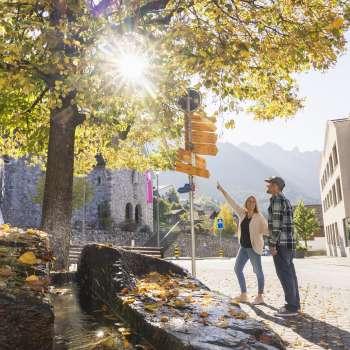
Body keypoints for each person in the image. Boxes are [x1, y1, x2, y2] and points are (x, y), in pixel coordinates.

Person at [217, 182, 268, 305]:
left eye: (253, 201)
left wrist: (275, 239)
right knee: (237, 269)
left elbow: (267, 230)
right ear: (246, 203)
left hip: (254, 248)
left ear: (255, 204)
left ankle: (260, 296)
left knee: (258, 271)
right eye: (249, 201)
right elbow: (232, 202)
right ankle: (244, 294)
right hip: (244, 247)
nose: (251, 203)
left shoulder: (259, 217)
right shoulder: (242, 213)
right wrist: (222, 190)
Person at [265, 176, 300, 317]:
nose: (267, 186)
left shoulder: (277, 200)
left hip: (281, 244)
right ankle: (295, 304)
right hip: (289, 244)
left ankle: (291, 307)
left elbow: (277, 225)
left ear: (275, 186)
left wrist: (272, 244)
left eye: (269, 184)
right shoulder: (285, 199)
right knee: (290, 275)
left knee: (285, 275)